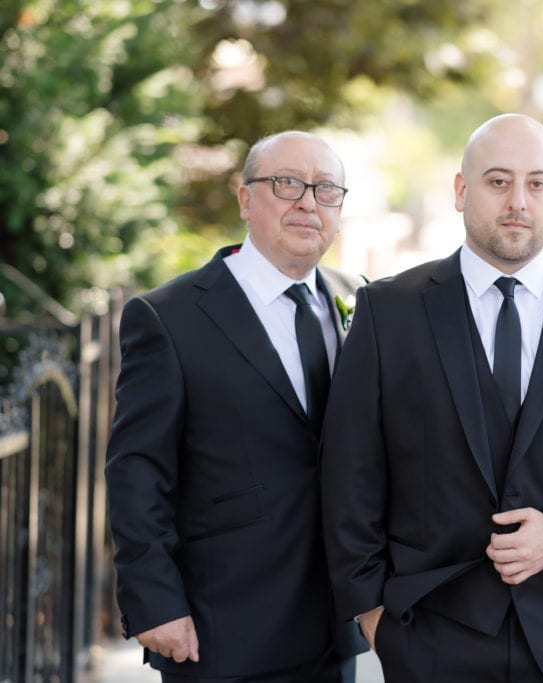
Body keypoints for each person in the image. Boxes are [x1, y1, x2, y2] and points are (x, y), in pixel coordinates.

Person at [320, 113, 543, 683]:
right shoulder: (390, 312)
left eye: (536, 184)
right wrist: (372, 616)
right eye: (497, 181)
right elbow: (349, 469)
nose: (518, 202)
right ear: (462, 191)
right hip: (427, 629)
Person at [105, 131, 365, 681]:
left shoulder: (362, 301)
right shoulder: (168, 317)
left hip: (335, 625)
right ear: (245, 199)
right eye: (286, 183)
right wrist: (155, 600)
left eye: (326, 190)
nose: (307, 203)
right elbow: (137, 469)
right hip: (219, 626)